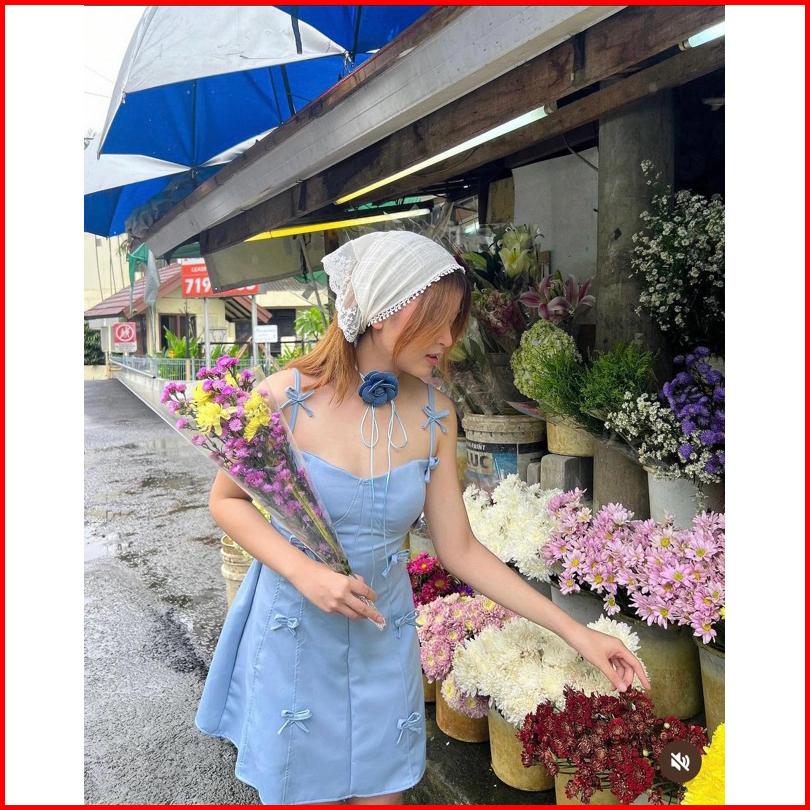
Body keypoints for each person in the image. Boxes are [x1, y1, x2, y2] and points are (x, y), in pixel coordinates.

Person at [194, 230, 651, 806]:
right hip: (295, 633)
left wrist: (577, 632)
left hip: (383, 638)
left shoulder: (437, 414)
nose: (449, 339)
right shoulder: (282, 396)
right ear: (383, 306)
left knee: (384, 795)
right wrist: (305, 573)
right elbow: (227, 501)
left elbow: (461, 550)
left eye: (455, 322)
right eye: (438, 319)